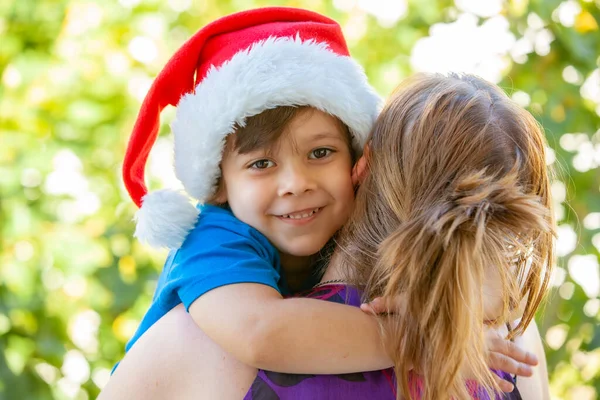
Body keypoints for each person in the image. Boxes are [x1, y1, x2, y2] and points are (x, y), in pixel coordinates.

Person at [100, 73, 554, 399]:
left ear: (361, 162)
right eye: (261, 163)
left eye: (320, 153)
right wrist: (430, 335)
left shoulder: (194, 347)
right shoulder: (510, 340)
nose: (295, 184)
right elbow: (261, 330)